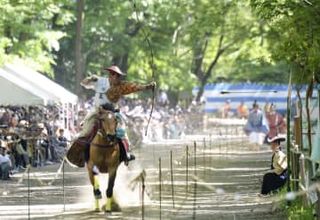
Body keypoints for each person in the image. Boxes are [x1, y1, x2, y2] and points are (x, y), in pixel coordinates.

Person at [68, 65, 155, 167]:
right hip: (97, 111)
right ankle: (79, 156)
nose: (116, 77)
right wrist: (90, 78)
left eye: (118, 76)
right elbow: (83, 83)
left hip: (112, 112)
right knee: (86, 131)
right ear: (110, 75)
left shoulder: (121, 86)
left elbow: (134, 87)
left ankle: (126, 154)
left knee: (121, 131)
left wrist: (147, 86)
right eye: (114, 75)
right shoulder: (99, 81)